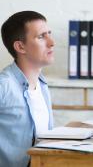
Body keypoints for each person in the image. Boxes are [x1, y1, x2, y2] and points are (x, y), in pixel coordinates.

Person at [0, 11, 55, 167]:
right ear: (20, 46)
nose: (51, 42)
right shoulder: (3, 86)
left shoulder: (42, 85)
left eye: (49, 34)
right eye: (41, 37)